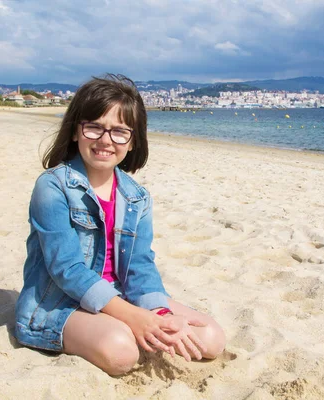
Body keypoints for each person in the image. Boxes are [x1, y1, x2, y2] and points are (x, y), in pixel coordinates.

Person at [15, 74, 225, 375]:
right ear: (76, 131)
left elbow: (140, 265)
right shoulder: (53, 186)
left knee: (211, 338)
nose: (105, 140)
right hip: (60, 303)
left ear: (132, 140)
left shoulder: (136, 197)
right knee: (121, 352)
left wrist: (160, 313)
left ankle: (127, 322)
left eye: (119, 132)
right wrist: (134, 317)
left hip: (123, 295)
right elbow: (67, 270)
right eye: (94, 127)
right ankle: (120, 325)